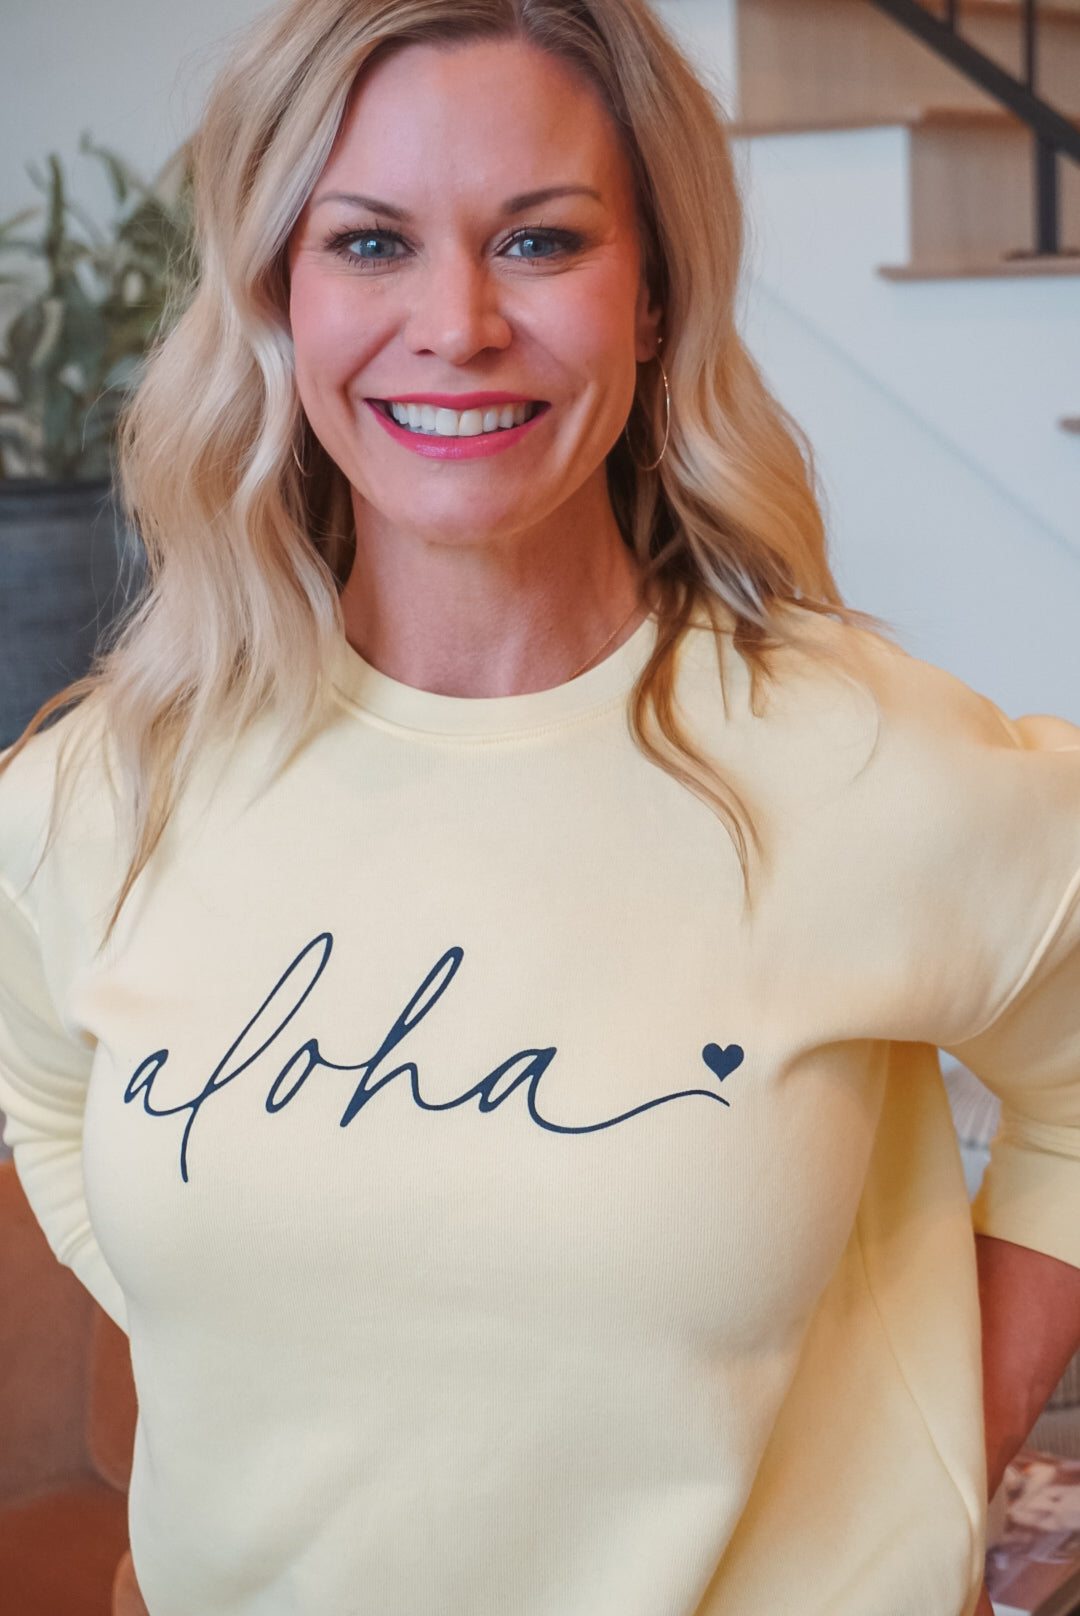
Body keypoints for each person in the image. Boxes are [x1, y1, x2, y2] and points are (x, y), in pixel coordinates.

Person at [0, 1, 1077, 1613]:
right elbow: (50, 1103)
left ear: (653, 296)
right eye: (369, 243)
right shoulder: (102, 793)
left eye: (540, 241)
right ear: (279, 292)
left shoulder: (858, 759)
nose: (456, 324)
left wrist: (944, 1441)